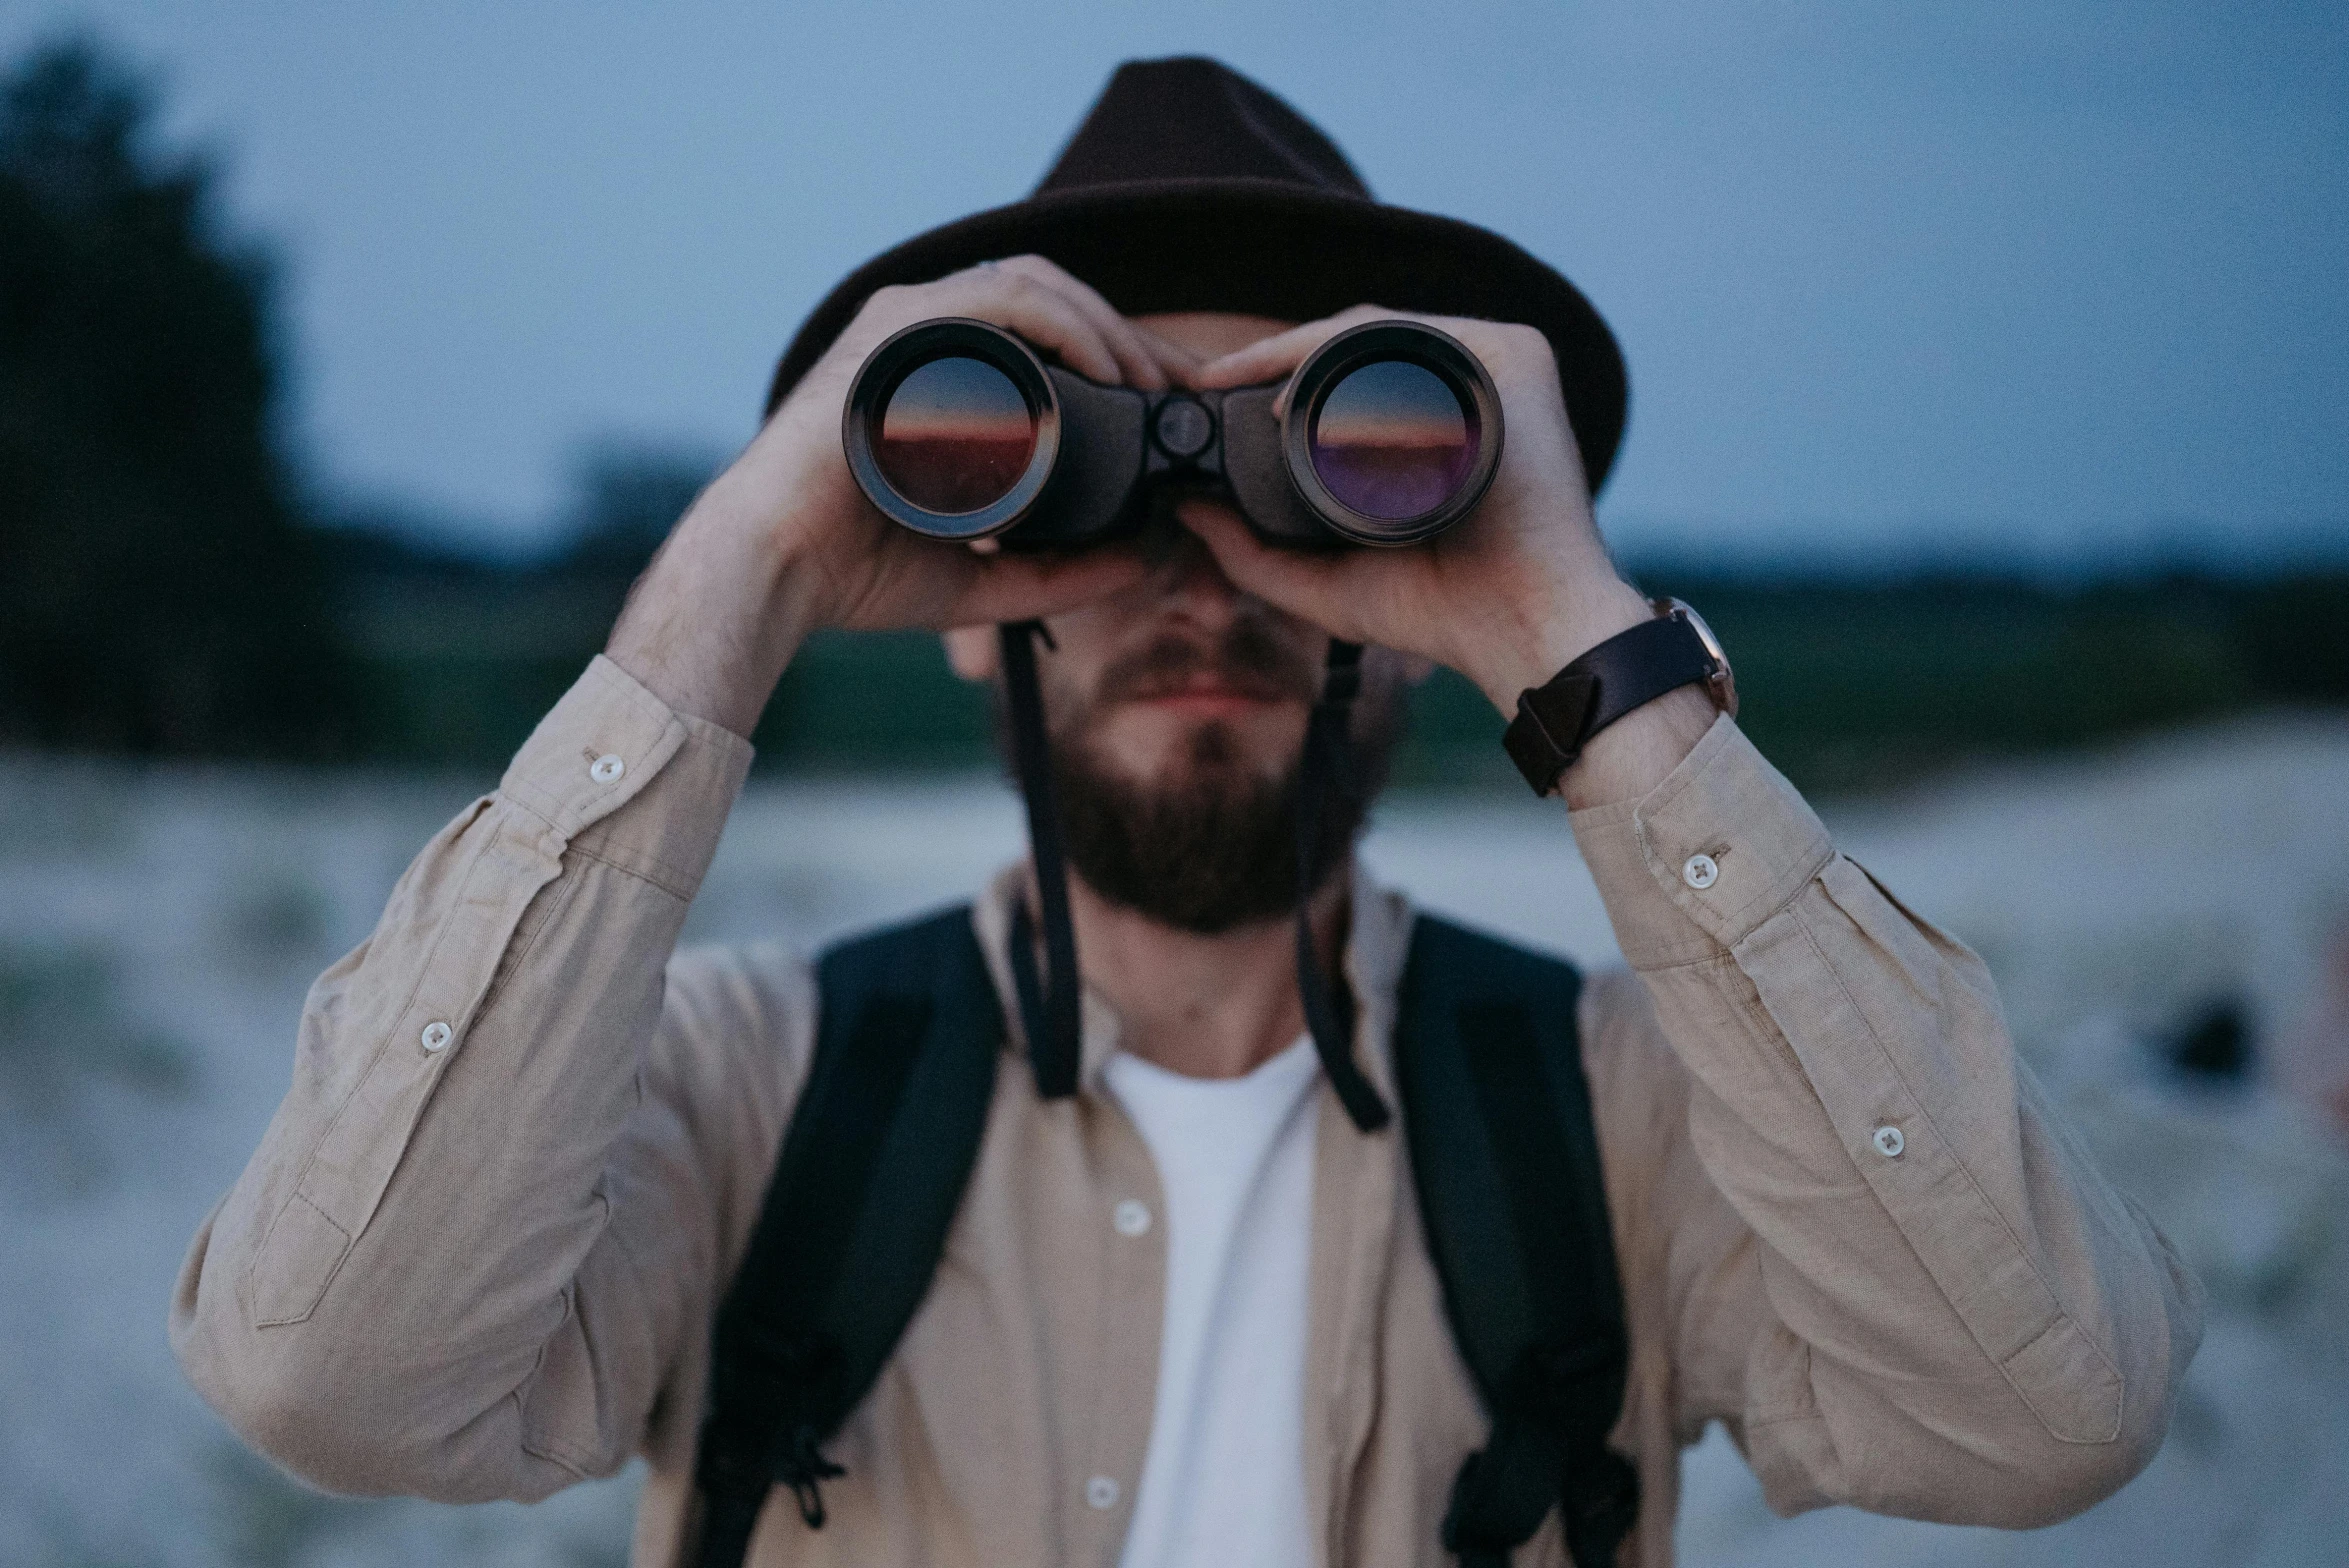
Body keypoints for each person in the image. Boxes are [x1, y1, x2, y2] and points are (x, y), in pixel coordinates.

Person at [171, 57, 2202, 1568]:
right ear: (968, 620)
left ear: (1414, 621)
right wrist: (742, 569)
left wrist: (1577, 643)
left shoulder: (1629, 1117)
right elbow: (326, 1376)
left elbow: (2042, 1410)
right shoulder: (742, 1091)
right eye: (1070, 492)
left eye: (1313, 482)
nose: (1196, 576)